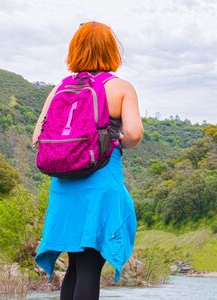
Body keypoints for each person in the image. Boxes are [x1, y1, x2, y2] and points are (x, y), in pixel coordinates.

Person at [32, 21, 144, 300]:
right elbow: (133, 133)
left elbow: (37, 137)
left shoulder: (60, 89)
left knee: (76, 263)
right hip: (101, 183)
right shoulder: (120, 88)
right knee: (91, 265)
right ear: (111, 51)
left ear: (75, 50)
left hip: (65, 186)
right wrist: (116, 140)